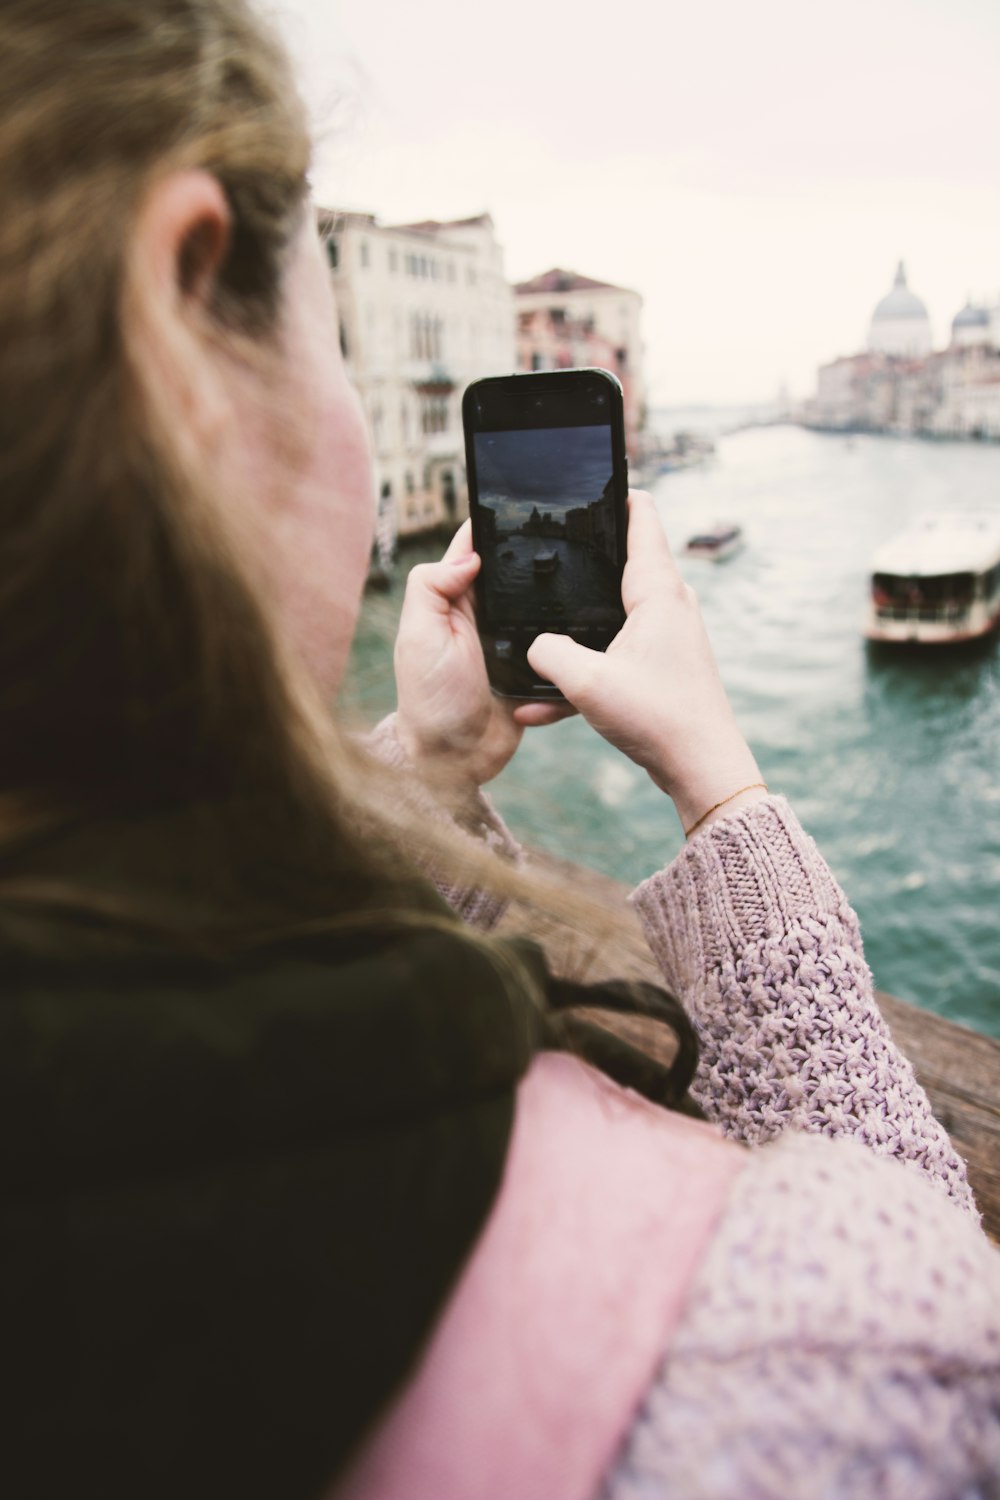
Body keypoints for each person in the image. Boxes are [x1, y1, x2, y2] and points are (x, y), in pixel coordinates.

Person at [0, 4, 997, 1499]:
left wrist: (430, 773)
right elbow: (936, 1322)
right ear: (184, 330)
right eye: (321, 341)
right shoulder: (807, 1361)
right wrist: (719, 783)